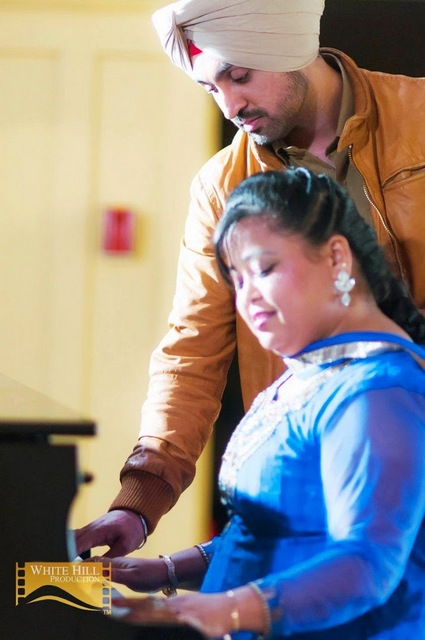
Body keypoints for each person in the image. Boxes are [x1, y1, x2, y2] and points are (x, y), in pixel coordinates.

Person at [75, 0, 425, 557]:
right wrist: (139, 500)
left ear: (290, 48)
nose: (230, 104)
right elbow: (193, 345)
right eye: (210, 88)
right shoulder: (221, 185)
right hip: (316, 477)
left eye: (239, 76)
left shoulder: (419, 116)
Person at [101, 169, 425, 639]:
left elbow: (366, 565)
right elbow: (278, 532)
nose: (247, 296)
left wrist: (224, 610)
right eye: (237, 279)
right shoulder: (312, 376)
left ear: (337, 257)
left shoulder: (378, 391)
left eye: (265, 269)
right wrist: (166, 571)